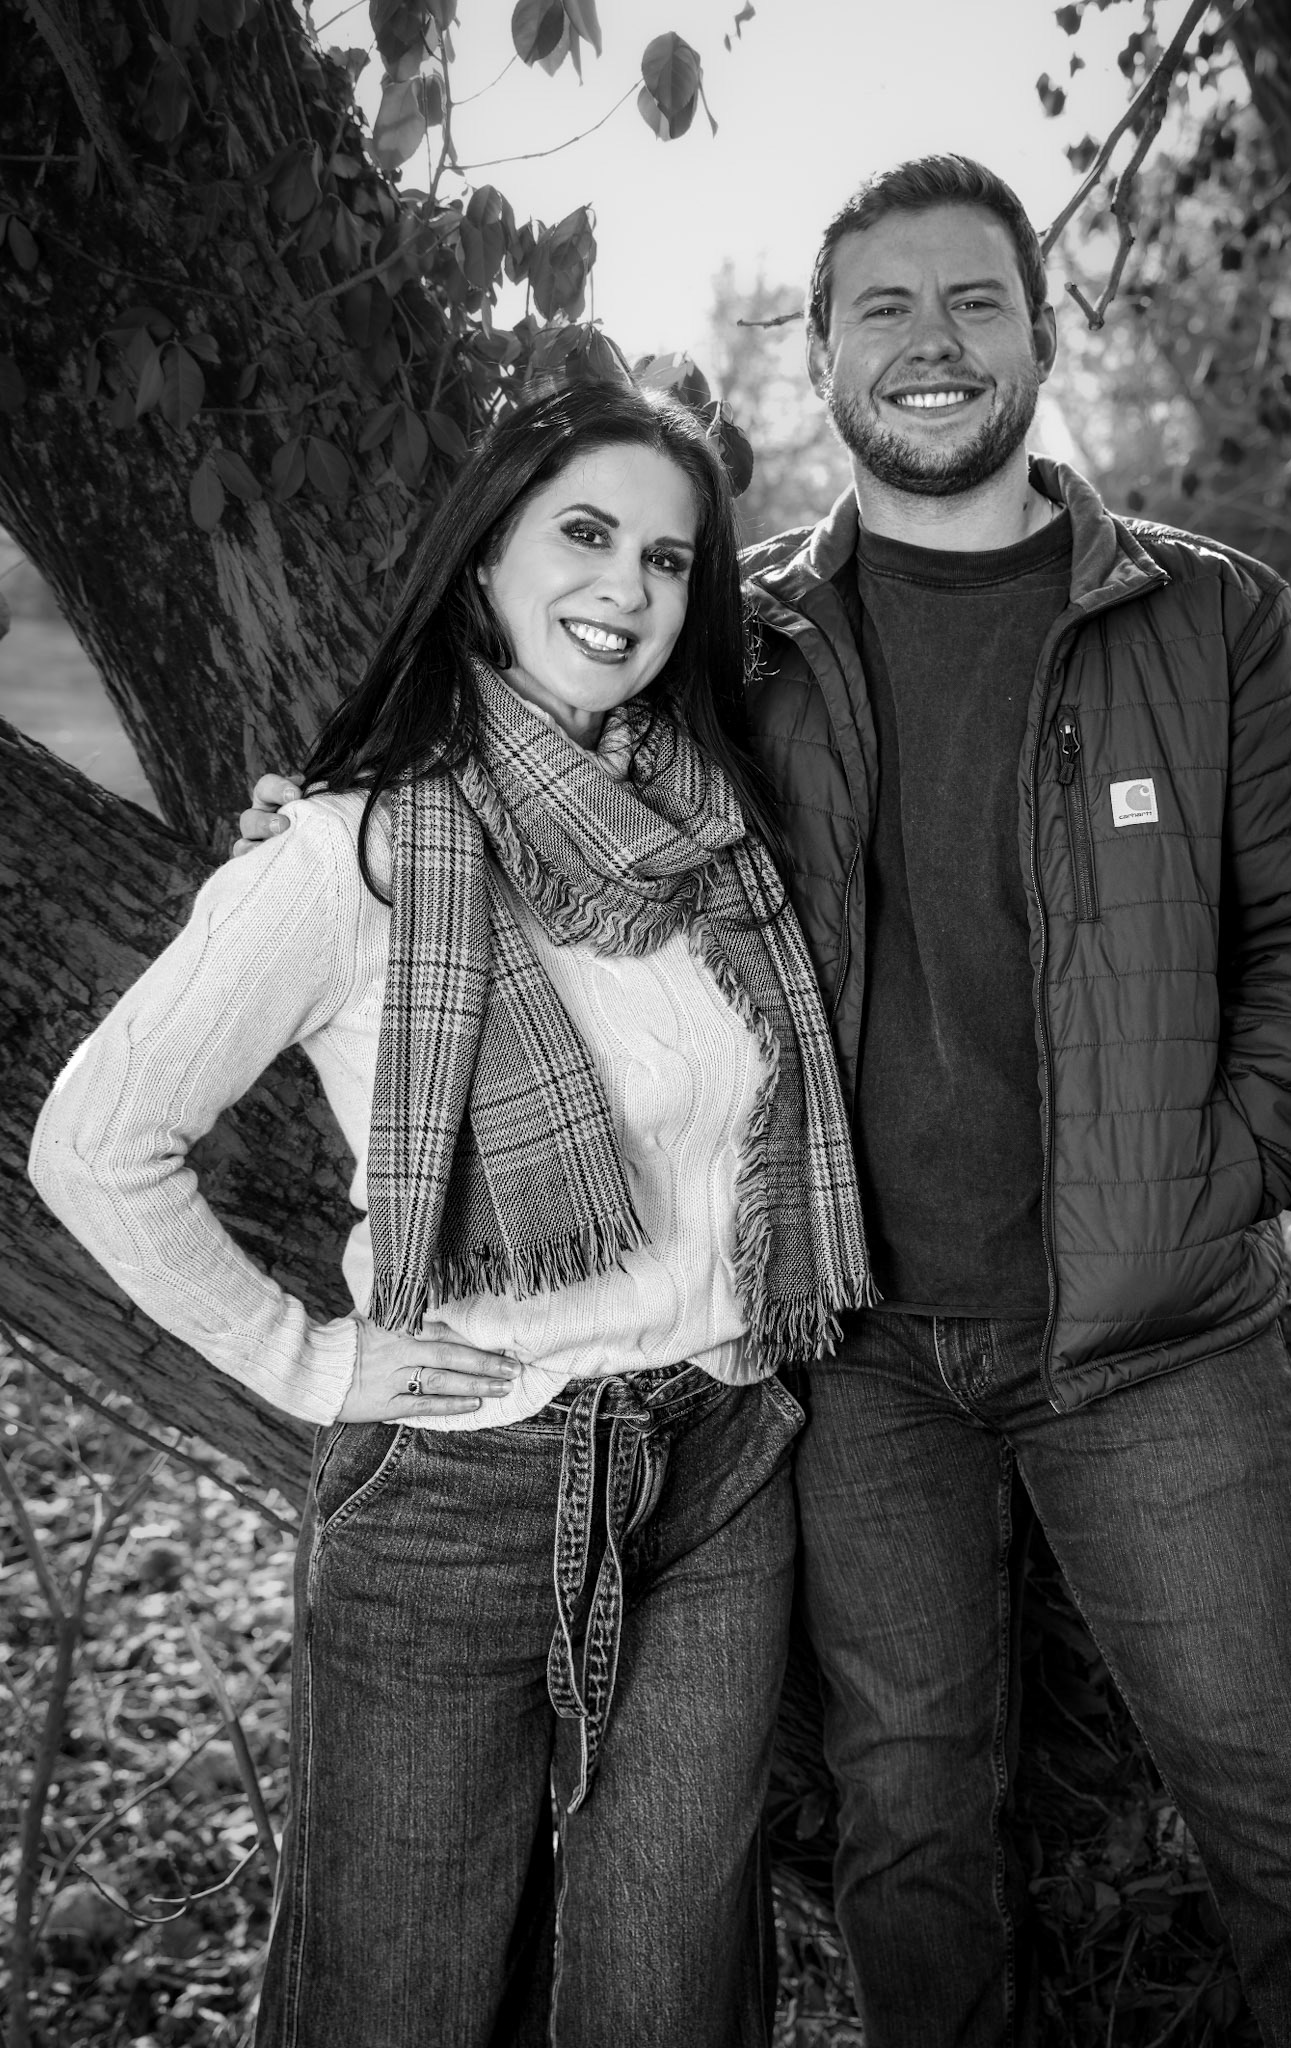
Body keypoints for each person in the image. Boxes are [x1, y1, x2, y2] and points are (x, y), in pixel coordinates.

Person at [236, 159, 1291, 2046]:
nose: (929, 341)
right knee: (910, 1822)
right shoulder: (745, 645)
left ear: (1039, 339)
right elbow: (531, 785)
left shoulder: (1210, 618)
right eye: (881, 307)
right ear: (819, 358)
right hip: (856, 1348)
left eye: (974, 300)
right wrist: (327, 833)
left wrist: (1232, 1163)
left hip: (1153, 1334)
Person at [30, 382, 872, 2048]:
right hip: (467, 1488)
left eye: (668, 559)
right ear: (484, 554)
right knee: (402, 1996)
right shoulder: (351, 853)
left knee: (669, 1996)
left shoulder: (713, 841)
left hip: (720, 1462)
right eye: (583, 533)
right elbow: (96, 1141)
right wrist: (306, 1361)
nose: (625, 586)